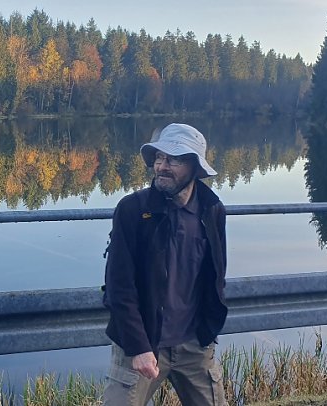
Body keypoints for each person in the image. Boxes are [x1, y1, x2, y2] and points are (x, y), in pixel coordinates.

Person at [102, 123, 228, 406]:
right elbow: (119, 287)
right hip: (141, 345)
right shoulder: (133, 210)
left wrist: (207, 331)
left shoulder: (212, 210)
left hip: (194, 345)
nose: (162, 166)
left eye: (174, 159)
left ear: (195, 167)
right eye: (159, 158)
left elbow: (216, 276)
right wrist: (138, 347)